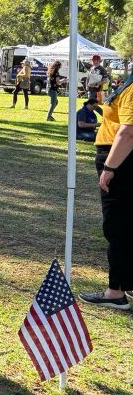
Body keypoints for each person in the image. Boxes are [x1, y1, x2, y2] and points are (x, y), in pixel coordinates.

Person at [79, 68, 133, 309]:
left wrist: (110, 167)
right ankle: (125, 284)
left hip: (120, 159)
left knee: (117, 226)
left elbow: (129, 132)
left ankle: (115, 292)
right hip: (119, 157)